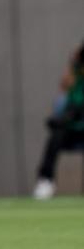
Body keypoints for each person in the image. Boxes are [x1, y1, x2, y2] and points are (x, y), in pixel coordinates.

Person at [33, 41, 84, 200]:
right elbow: (65, 93)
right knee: (55, 137)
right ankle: (45, 181)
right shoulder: (75, 78)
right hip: (73, 130)